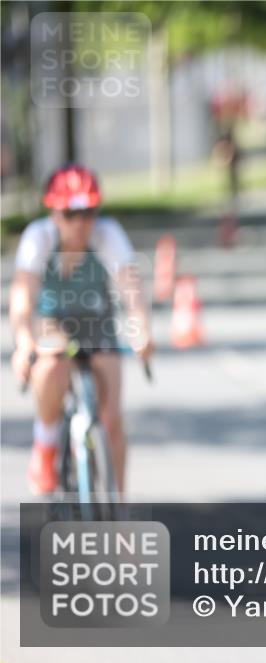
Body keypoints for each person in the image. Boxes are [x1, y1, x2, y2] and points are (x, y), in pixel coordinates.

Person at [10, 164, 154, 495]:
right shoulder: (39, 238)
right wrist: (23, 342)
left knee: (112, 417)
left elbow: (130, 289)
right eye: (70, 214)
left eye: (89, 213)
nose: (81, 223)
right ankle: (46, 444)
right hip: (54, 320)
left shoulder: (108, 234)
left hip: (96, 320)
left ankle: (119, 507)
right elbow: (23, 296)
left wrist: (141, 329)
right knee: (50, 365)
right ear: (54, 213)